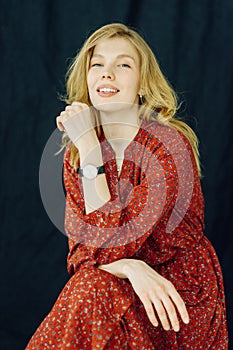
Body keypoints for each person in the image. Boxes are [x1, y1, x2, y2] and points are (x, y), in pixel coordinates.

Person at [26, 23, 228, 349]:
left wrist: (90, 145)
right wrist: (131, 268)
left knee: (92, 288)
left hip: (173, 296)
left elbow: (108, 246)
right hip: (122, 282)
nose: (107, 73)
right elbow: (81, 255)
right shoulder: (80, 150)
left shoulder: (168, 146)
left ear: (141, 85)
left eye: (122, 64)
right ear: (87, 80)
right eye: (97, 64)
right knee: (90, 287)